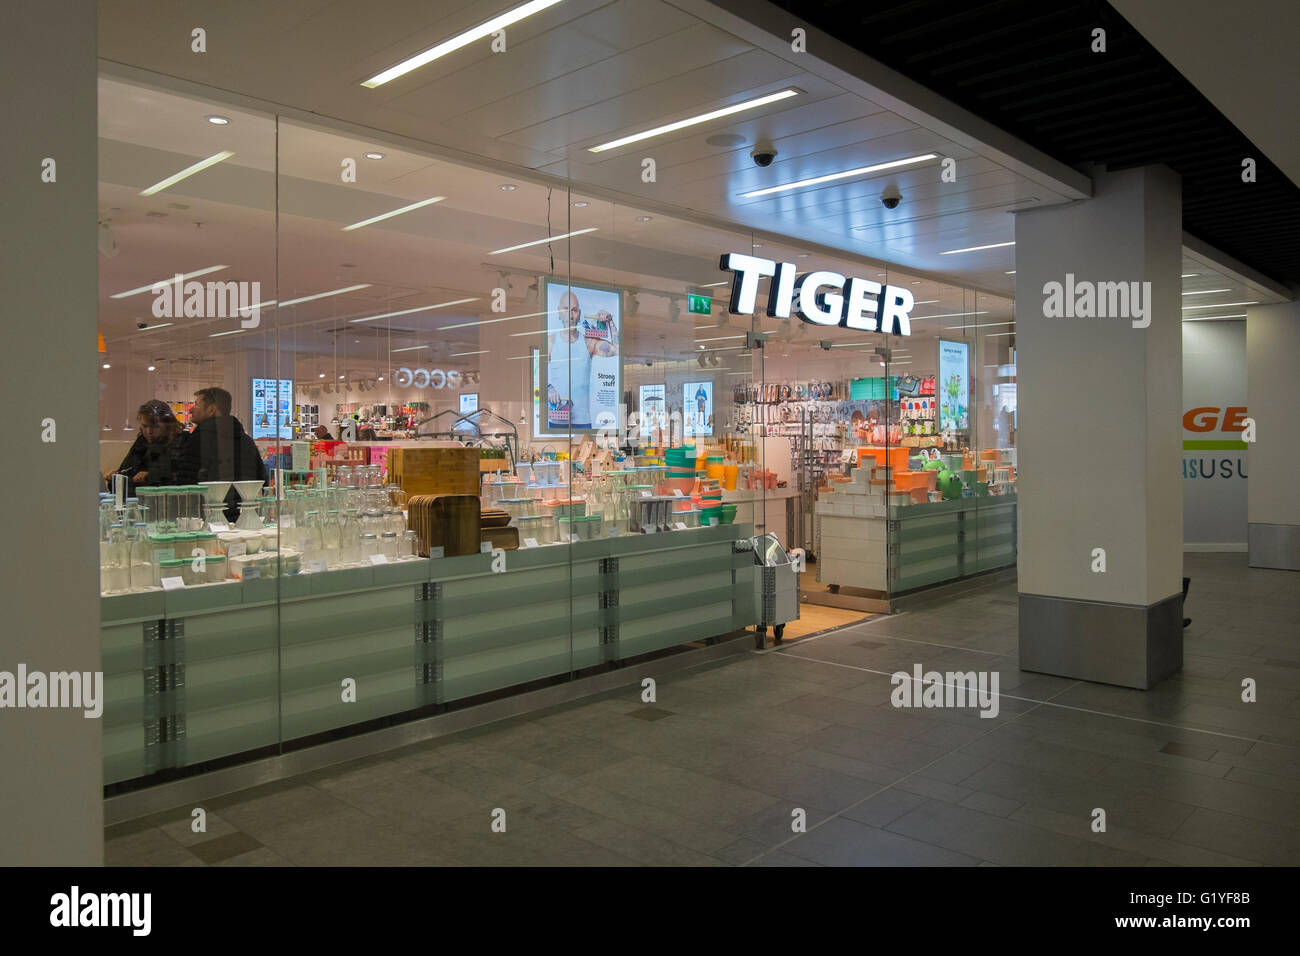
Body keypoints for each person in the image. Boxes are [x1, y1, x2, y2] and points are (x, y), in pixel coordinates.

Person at [176, 387, 268, 519]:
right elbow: (261, 481)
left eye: (196, 404)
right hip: (242, 518)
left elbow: (185, 484)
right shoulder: (246, 441)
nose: (191, 409)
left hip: (206, 518)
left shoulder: (199, 440)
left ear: (211, 409)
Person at [105, 399, 187, 494]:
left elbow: (181, 481)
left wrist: (149, 477)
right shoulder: (142, 442)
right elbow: (124, 475)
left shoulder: (180, 441)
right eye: (145, 426)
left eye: (155, 426)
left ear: (167, 425)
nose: (149, 432)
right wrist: (115, 477)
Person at [548, 291, 591, 429]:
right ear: (559, 312)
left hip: (583, 420)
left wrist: (610, 322)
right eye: (566, 309)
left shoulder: (588, 343)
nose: (571, 315)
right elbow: (537, 375)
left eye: (574, 310)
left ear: (579, 313)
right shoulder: (550, 341)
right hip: (558, 419)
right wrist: (548, 387)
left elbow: (617, 349)